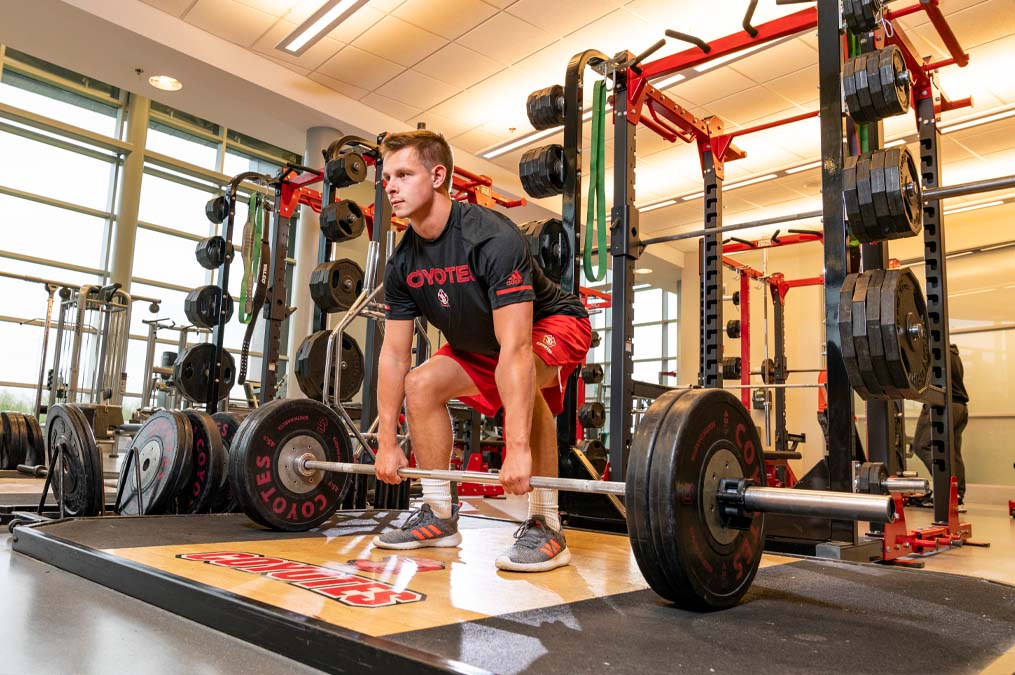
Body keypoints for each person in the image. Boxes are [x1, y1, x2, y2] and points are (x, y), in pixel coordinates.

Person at [369, 130, 591, 572]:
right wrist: (388, 443)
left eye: (403, 174)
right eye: (387, 176)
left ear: (437, 176)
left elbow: (516, 346)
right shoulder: (404, 261)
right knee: (421, 384)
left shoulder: (491, 238)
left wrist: (517, 449)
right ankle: (439, 515)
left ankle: (546, 524)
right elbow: (394, 356)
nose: (390, 186)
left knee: (527, 382)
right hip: (480, 343)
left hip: (552, 324)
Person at [910, 343, 970, 509]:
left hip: (943, 405)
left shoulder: (936, 352)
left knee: (921, 445)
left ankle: (945, 490)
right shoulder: (953, 354)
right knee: (953, 453)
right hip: (961, 407)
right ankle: (957, 495)